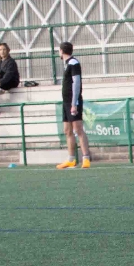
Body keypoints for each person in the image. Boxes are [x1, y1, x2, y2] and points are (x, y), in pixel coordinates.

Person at [56, 41, 92, 170]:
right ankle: (71, 159)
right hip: (66, 101)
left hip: (73, 101)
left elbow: (76, 83)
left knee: (78, 129)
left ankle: (86, 157)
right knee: (67, 130)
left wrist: (74, 103)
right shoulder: (67, 64)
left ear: (61, 51)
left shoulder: (73, 63)